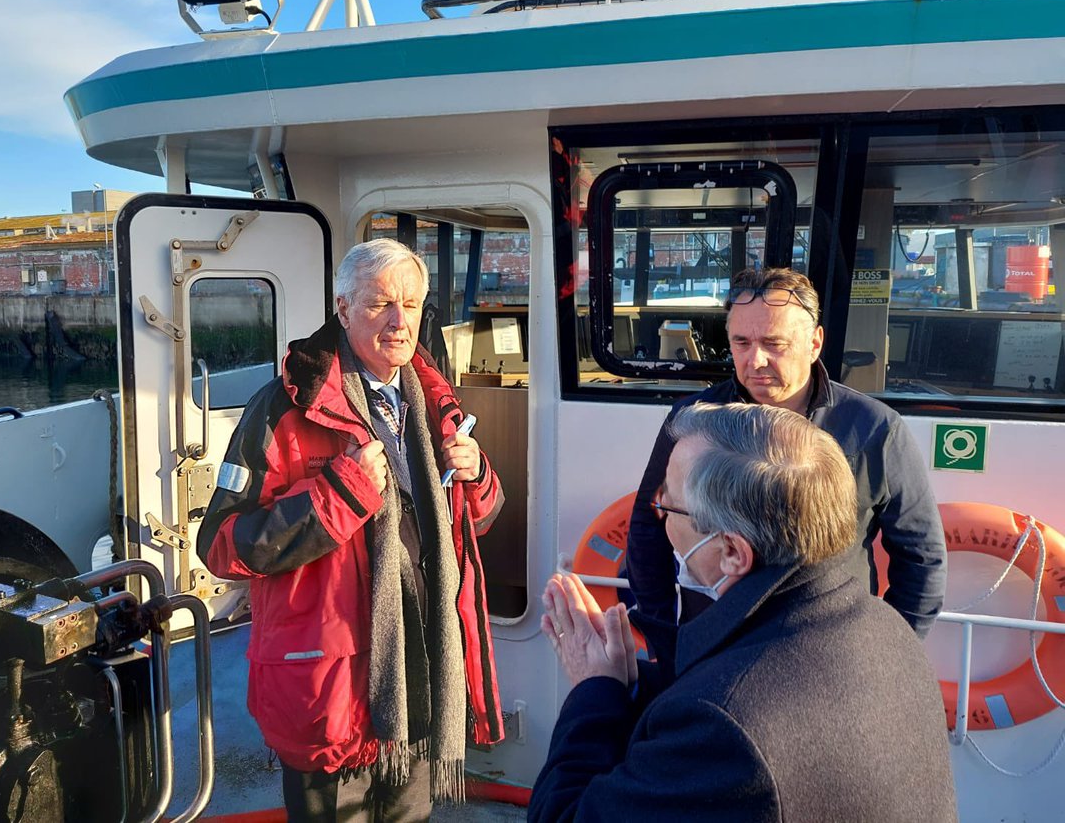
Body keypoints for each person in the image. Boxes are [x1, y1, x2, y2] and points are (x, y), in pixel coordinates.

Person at [198, 239, 505, 821]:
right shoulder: (283, 410)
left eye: (411, 306)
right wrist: (338, 495)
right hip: (330, 693)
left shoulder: (432, 404)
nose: (399, 321)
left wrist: (478, 474)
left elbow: (479, 521)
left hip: (421, 682)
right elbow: (221, 543)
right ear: (342, 309)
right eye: (379, 304)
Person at [530, 403, 956, 822]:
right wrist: (633, 682)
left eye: (668, 504)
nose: (657, 512)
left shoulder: (721, 727)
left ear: (732, 552)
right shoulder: (884, 627)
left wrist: (594, 691)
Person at [626, 267, 946, 639]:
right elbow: (649, 524)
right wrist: (661, 634)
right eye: (741, 342)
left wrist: (892, 651)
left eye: (774, 344)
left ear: (814, 343)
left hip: (830, 646)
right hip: (713, 641)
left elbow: (921, 557)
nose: (755, 360)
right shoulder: (691, 422)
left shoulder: (875, 429)